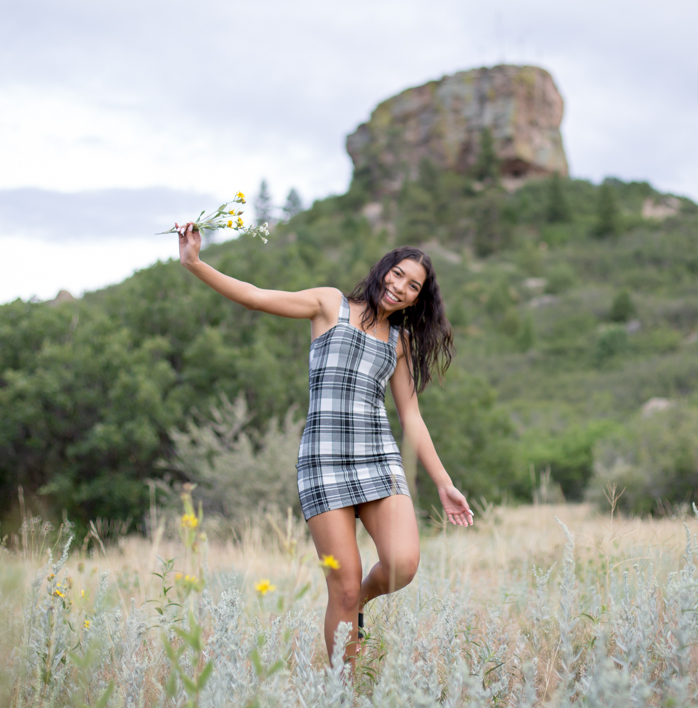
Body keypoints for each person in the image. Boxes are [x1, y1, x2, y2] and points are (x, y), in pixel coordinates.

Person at [175, 225, 475, 662]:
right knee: (345, 584)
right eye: (397, 275)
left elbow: (412, 417)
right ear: (382, 271)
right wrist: (196, 264)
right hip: (324, 461)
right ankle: (343, 689)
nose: (400, 287)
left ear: (417, 299)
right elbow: (255, 295)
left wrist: (444, 483)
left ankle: (358, 608)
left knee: (402, 565)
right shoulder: (328, 304)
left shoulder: (399, 342)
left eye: (413, 286)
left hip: (378, 459)